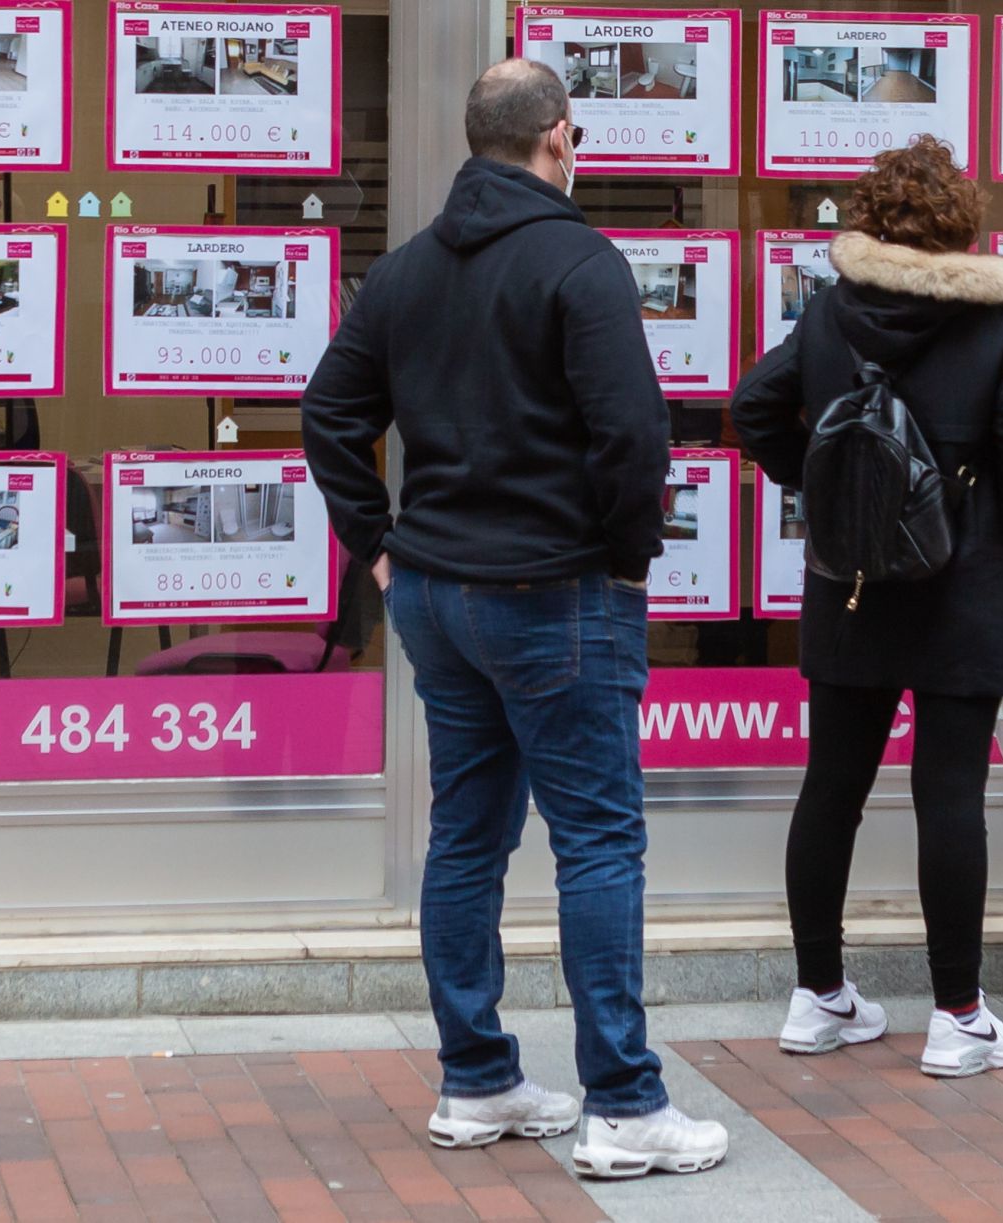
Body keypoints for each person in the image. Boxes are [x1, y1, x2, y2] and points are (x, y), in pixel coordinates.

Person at [299, 58, 727, 1177]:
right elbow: (635, 438)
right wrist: (628, 559)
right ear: (559, 137)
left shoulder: (403, 274)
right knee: (596, 839)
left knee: (468, 836)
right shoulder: (580, 261)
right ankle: (626, 1103)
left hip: (438, 594)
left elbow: (328, 412)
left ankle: (477, 1079)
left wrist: (377, 544)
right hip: (558, 591)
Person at [731, 136, 1003, 1078]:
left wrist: (822, 492)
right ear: (961, 222)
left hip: (849, 580)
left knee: (832, 786)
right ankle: (957, 1015)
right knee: (949, 796)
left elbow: (753, 407)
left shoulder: (829, 314)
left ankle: (818, 998)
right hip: (963, 582)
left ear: (871, 218)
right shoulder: (997, 322)